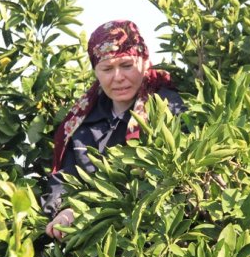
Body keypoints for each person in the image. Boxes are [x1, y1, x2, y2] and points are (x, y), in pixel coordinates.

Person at [42, 20, 185, 240]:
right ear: (96, 72)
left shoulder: (168, 107)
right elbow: (65, 177)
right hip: (94, 240)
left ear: (144, 62)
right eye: (107, 69)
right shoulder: (81, 119)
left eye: (127, 65)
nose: (118, 77)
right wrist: (62, 210)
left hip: (153, 235)